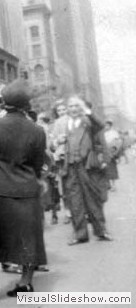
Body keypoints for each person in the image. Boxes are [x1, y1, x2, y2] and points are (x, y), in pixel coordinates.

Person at [0, 79, 47, 303]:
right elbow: (37, 163)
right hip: (25, 190)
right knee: (28, 238)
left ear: (4, 103)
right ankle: (25, 283)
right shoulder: (37, 130)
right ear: (26, 105)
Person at [60, 96, 112, 245]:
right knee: (75, 201)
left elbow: (100, 125)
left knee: (92, 199)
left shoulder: (88, 121)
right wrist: (57, 142)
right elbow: (53, 143)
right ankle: (80, 234)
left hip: (86, 166)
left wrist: (87, 111)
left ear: (81, 108)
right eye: (70, 106)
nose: (73, 109)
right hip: (70, 166)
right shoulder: (63, 123)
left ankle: (101, 231)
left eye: (77, 106)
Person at [103, 120, 122, 191]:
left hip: (112, 153)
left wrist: (114, 153)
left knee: (112, 170)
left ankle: (114, 185)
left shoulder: (114, 133)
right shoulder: (104, 133)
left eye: (107, 125)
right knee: (105, 169)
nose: (106, 127)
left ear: (110, 126)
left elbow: (118, 143)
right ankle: (108, 185)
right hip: (105, 153)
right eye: (105, 125)